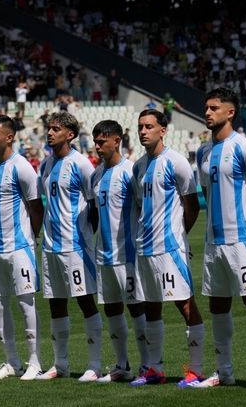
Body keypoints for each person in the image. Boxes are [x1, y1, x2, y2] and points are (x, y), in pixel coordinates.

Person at [193, 88, 246, 391]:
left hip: (242, 240)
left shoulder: (245, 147)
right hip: (213, 242)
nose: (208, 112)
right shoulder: (202, 151)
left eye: (214, 107)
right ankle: (223, 371)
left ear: (230, 112)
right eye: (206, 107)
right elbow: (206, 192)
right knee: (217, 305)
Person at [129, 109, 205, 387]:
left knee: (185, 304)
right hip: (145, 248)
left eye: (149, 126)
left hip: (170, 248)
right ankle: (155, 369)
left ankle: (196, 370)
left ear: (163, 130)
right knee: (151, 307)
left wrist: (179, 236)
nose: (143, 131)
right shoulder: (137, 167)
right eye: (140, 127)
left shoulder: (176, 161)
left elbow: (192, 204)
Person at [36, 111, 103, 381]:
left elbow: (95, 205)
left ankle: (95, 365)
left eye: (55, 129)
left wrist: (86, 236)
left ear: (70, 134)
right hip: (50, 246)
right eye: (49, 129)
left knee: (86, 301)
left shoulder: (82, 165)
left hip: (76, 246)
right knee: (56, 304)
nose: (50, 133)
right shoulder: (45, 165)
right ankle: (60, 363)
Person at [0, 114, 44, 380]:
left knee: (25, 303)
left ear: (9, 137)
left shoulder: (22, 167)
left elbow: (36, 208)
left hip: (19, 247)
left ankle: (35, 361)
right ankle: (10, 362)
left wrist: (31, 238)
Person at [89, 120, 149, 383]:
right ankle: (122, 366)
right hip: (104, 255)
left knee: (136, 309)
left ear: (117, 140)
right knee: (112, 309)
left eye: (102, 141)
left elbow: (144, 209)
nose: (98, 146)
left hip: (129, 255)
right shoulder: (96, 175)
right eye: (96, 142)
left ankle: (148, 366)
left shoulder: (130, 172)